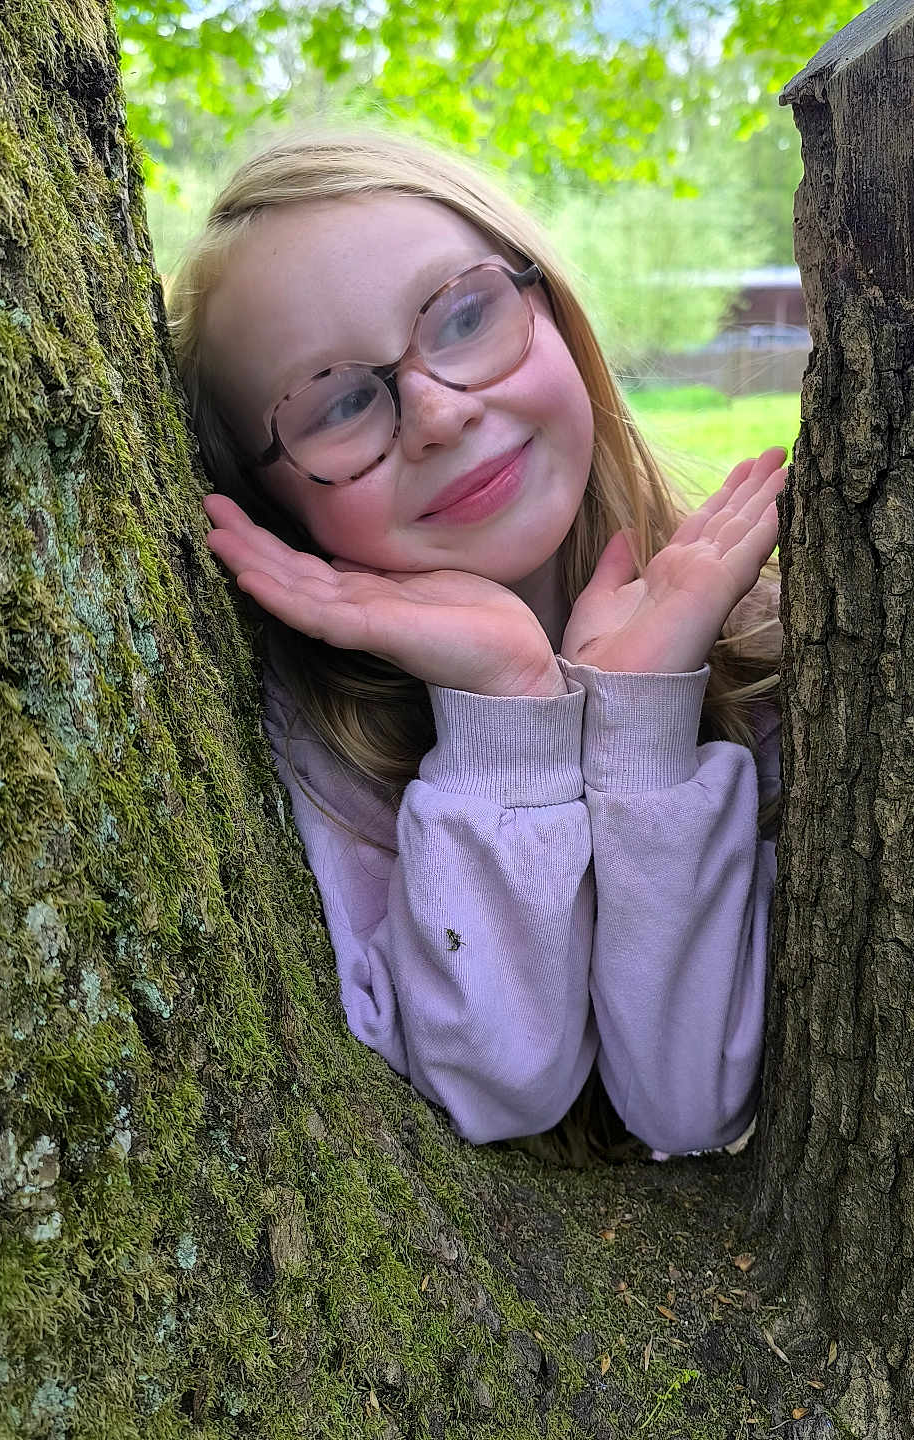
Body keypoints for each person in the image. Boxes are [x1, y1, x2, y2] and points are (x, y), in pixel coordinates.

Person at [166, 127, 786, 1163]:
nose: (439, 413)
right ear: (275, 507)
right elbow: (506, 1085)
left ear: (548, 305)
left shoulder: (765, 647)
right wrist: (506, 709)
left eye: (462, 315)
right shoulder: (320, 765)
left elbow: (694, 1106)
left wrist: (642, 723)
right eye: (340, 403)